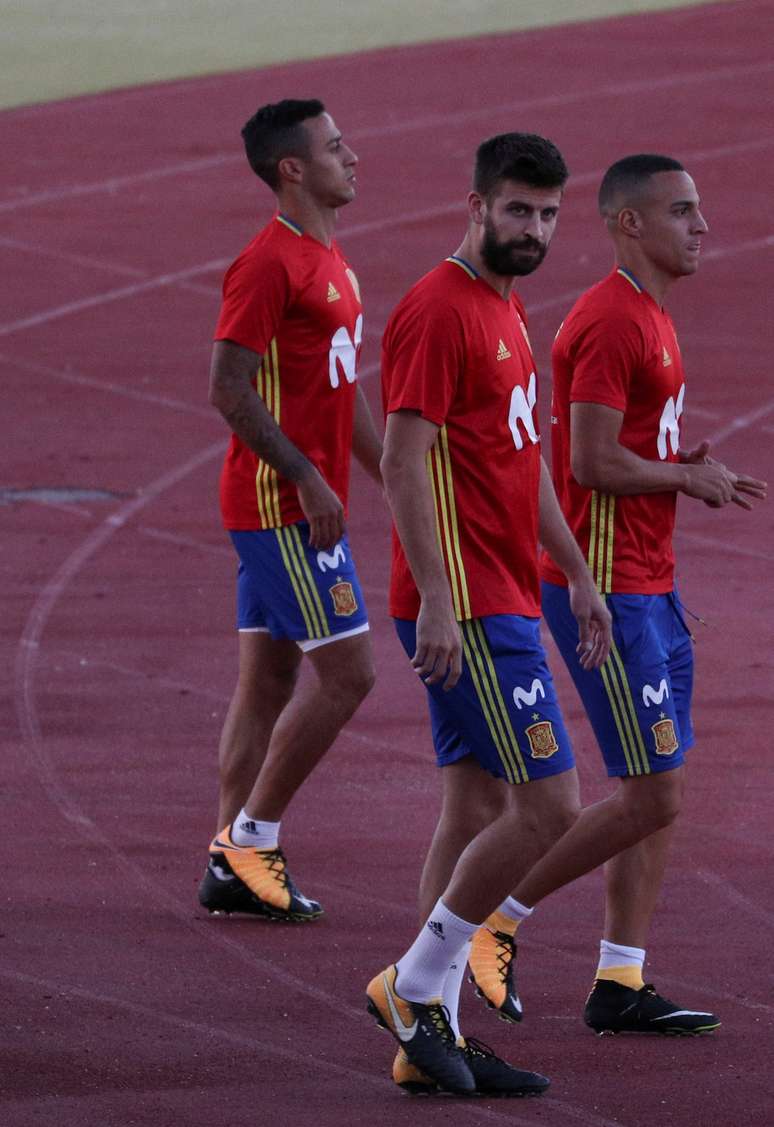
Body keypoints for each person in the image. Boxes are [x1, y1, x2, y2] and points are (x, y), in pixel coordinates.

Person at [365, 132, 618, 1098]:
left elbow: (523, 467)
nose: (535, 229)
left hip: (501, 588)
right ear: (474, 205)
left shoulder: (507, 308)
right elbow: (398, 459)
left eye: (549, 214)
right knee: (548, 804)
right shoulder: (438, 310)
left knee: (471, 805)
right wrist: (435, 594)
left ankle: (431, 1036)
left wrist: (577, 571)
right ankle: (417, 984)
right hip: (466, 602)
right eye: (518, 210)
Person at [533, 153, 765, 1032]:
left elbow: (627, 447)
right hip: (609, 588)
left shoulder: (654, 316)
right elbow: (587, 464)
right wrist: (680, 477)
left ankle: (622, 977)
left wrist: (681, 470)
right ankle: (480, 923)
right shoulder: (611, 322)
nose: (703, 224)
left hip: (651, 584)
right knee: (652, 793)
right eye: (682, 210)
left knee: (658, 782)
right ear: (629, 223)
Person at [198, 99, 382, 923]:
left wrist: (403, 475)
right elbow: (225, 387)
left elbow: (344, 388)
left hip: (290, 500)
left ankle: (226, 855)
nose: (354, 157)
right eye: (337, 148)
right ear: (292, 169)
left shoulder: (330, 257)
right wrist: (310, 475)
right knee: (349, 675)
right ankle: (251, 836)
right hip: (280, 509)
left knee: (268, 681)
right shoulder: (270, 263)